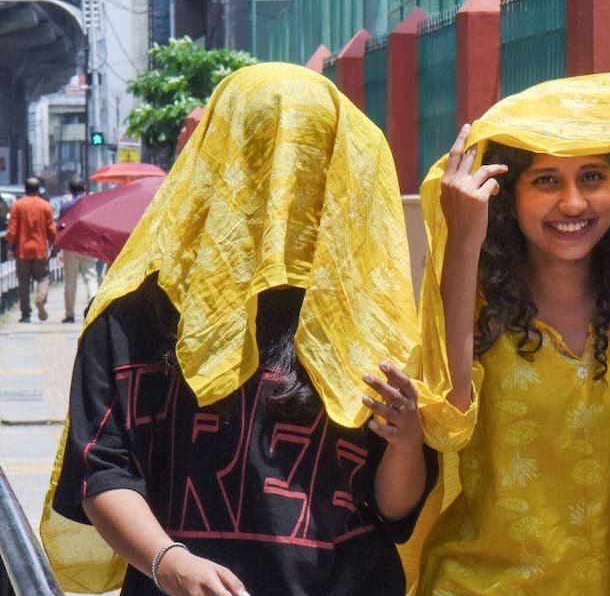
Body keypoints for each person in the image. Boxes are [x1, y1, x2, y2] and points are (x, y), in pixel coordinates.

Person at [41, 63, 437, 595]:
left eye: (306, 160)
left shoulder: (369, 311)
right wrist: (169, 563)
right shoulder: (133, 313)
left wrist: (408, 443)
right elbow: (102, 469)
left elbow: (391, 508)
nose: (281, 184)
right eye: (261, 155)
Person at [391, 122, 610, 594]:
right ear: (506, 193)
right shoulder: (476, 293)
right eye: (546, 180)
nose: (574, 203)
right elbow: (447, 423)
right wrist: (462, 240)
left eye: (592, 176)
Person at [6, 177, 56, 322]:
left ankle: (25, 314)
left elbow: (12, 230)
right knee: (43, 277)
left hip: (22, 250)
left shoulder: (17, 205)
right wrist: (54, 245)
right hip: (40, 250)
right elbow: (52, 230)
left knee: (23, 282)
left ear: (25, 189)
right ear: (39, 189)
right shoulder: (46, 206)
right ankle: (40, 298)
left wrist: (10, 246)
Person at [59, 178, 99, 323]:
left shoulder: (65, 207)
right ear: (84, 188)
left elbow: (61, 227)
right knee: (91, 277)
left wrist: (58, 248)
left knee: (70, 280)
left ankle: (69, 314)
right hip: (89, 245)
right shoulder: (93, 204)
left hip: (70, 245)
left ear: (70, 190)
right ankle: (95, 310)